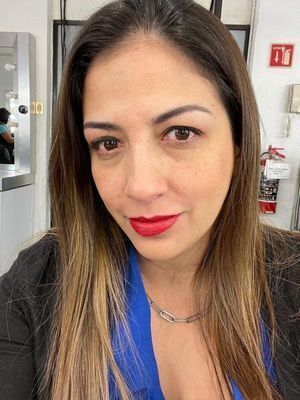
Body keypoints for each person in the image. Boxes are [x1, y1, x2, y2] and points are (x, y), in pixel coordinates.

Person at [0, 0, 299, 399]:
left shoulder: (291, 284)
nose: (140, 186)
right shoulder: (38, 285)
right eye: (107, 143)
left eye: (180, 133)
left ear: (240, 143)